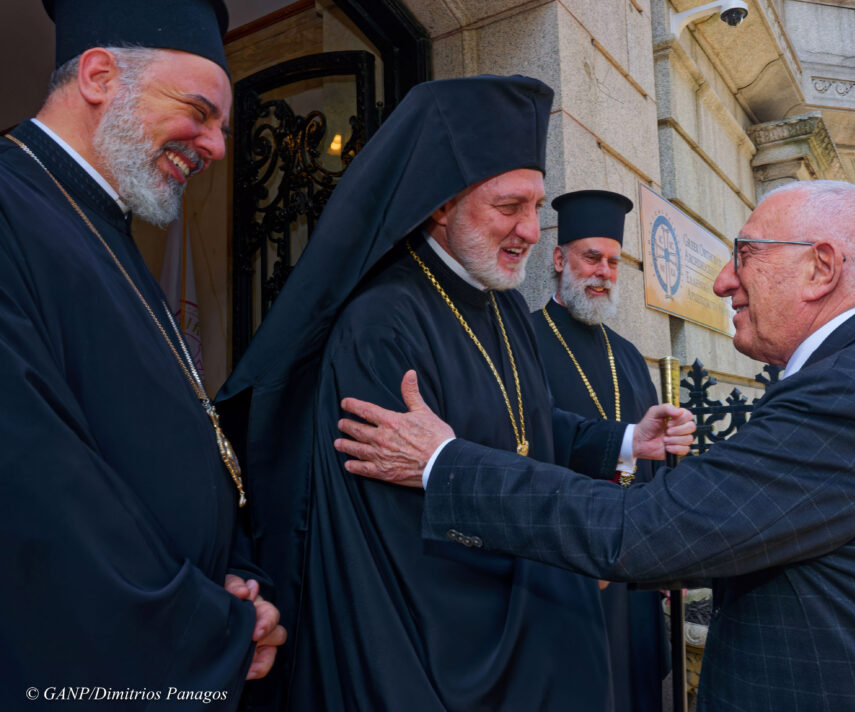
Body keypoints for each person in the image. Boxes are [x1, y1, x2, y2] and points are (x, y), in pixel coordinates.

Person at [336, 180, 855, 710]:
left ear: (820, 268)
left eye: (745, 255)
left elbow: (646, 529)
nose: (723, 280)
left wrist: (443, 463)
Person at [217, 74, 683, 711]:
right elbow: (393, 542)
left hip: (534, 625)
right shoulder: (382, 323)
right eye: (508, 206)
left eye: (535, 206)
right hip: (449, 657)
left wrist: (627, 440)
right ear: (441, 204)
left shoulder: (505, 304)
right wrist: (565, 570)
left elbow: (528, 426)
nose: (530, 229)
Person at [0, 2, 284, 709]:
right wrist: (208, 625)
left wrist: (234, 576)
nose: (216, 147)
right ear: (98, 76)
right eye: (199, 112)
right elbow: (35, 485)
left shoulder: (110, 228)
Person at [532, 189, 668, 712]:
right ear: (559, 259)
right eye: (592, 257)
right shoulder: (523, 340)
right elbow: (533, 437)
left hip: (633, 568)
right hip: (564, 571)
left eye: (613, 262)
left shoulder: (629, 356)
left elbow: (654, 464)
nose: (604, 273)